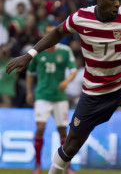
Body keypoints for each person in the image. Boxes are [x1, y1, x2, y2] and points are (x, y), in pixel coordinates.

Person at [6, 0, 121, 174]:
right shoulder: (80, 18)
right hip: (95, 91)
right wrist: (30, 54)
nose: (118, 3)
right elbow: (58, 32)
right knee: (70, 147)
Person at [26, 25, 77, 174]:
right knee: (40, 128)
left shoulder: (65, 50)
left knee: (63, 131)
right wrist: (29, 92)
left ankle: (67, 166)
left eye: (52, 33)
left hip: (60, 97)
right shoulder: (38, 51)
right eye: (48, 33)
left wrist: (66, 82)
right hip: (42, 95)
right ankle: (37, 164)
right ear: (43, 35)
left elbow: (73, 70)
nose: (51, 36)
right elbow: (30, 73)